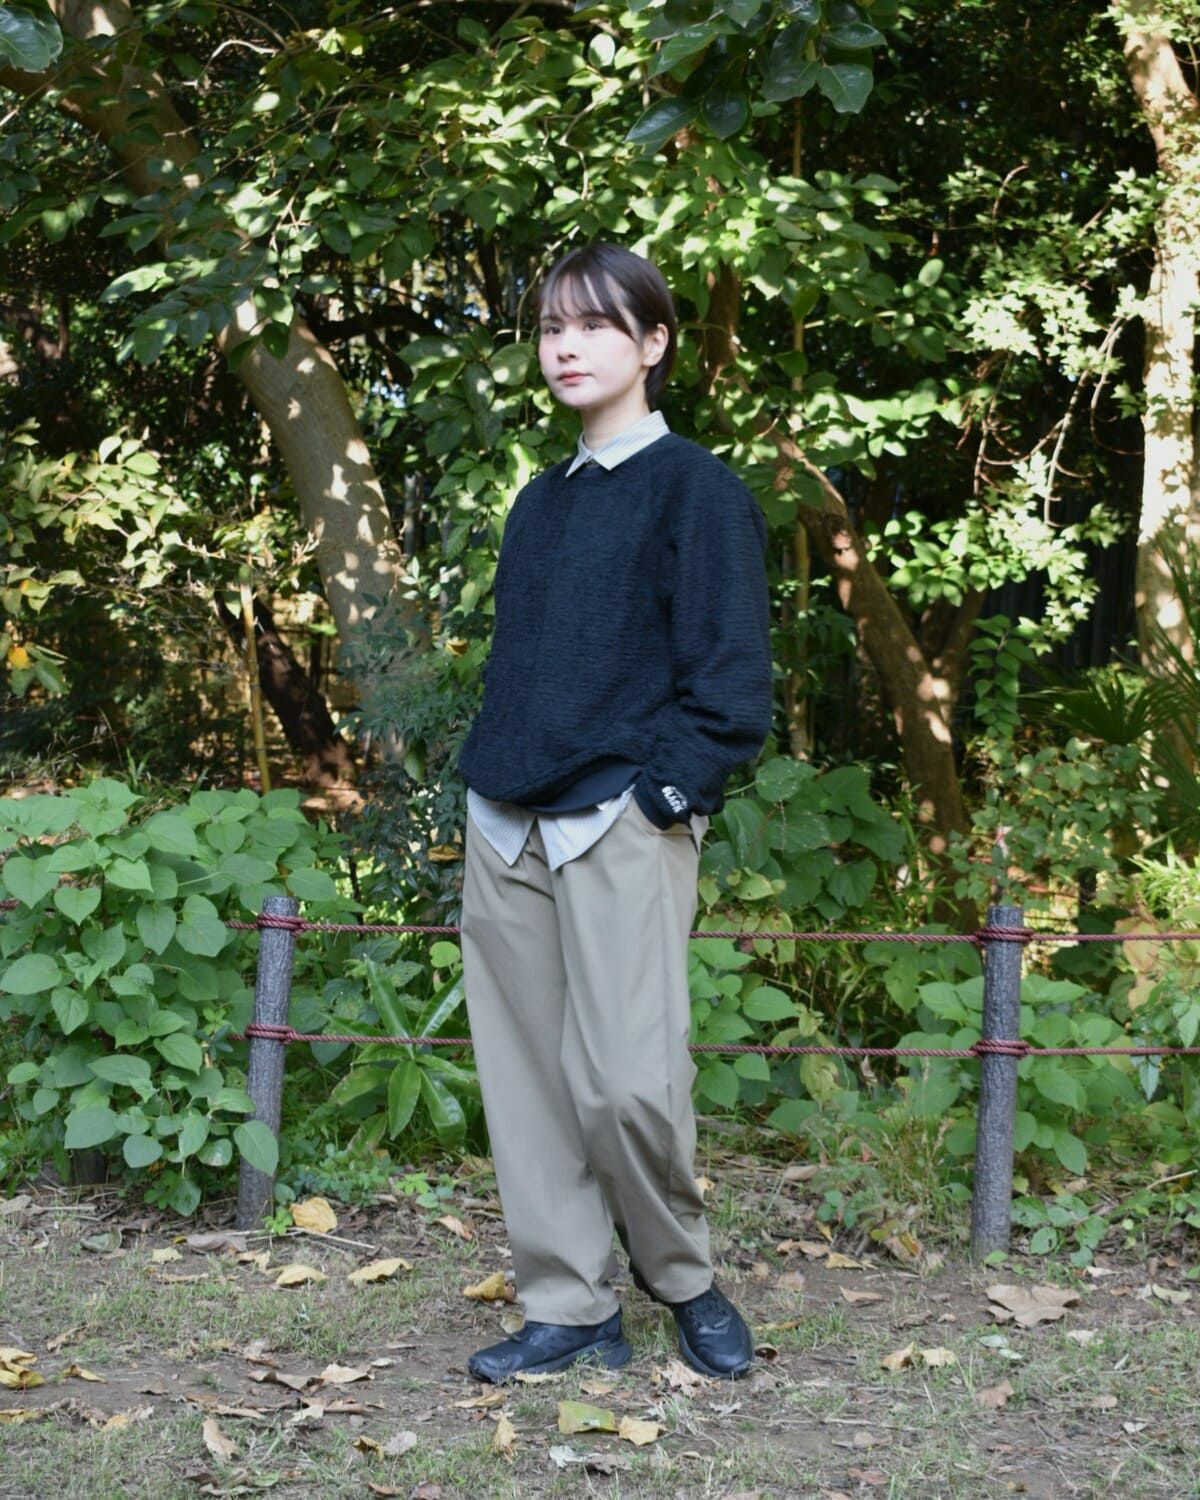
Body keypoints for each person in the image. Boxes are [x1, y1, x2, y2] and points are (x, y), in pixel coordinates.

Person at [456, 242, 774, 1383]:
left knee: (630, 1082)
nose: (567, 346)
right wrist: (486, 794)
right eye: (552, 327)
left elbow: (732, 687)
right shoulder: (538, 503)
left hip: (619, 823)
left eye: (594, 325)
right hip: (506, 824)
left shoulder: (698, 489)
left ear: (653, 344)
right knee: (530, 1088)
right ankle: (571, 1306)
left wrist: (660, 801)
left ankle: (681, 1277)